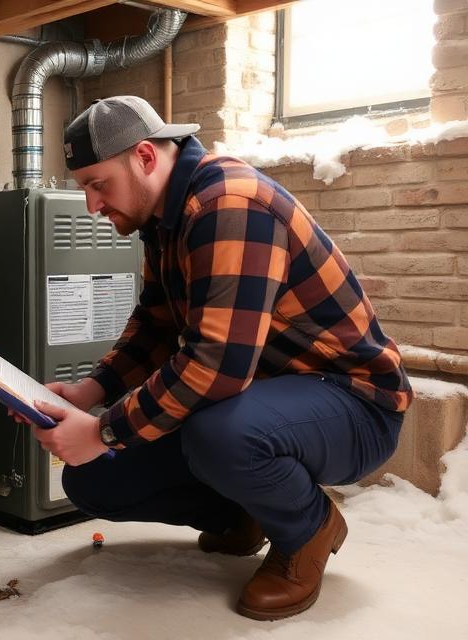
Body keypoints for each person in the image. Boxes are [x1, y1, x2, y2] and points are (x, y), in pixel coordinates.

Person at [21, 96, 412, 621]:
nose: (92, 205)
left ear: (144, 157)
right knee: (93, 479)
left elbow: (217, 367)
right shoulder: (164, 219)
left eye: (97, 184)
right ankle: (246, 514)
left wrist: (99, 431)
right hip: (256, 398)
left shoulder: (231, 204)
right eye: (83, 188)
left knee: (217, 434)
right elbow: (156, 324)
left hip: (352, 404)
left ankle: (308, 528)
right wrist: (90, 393)